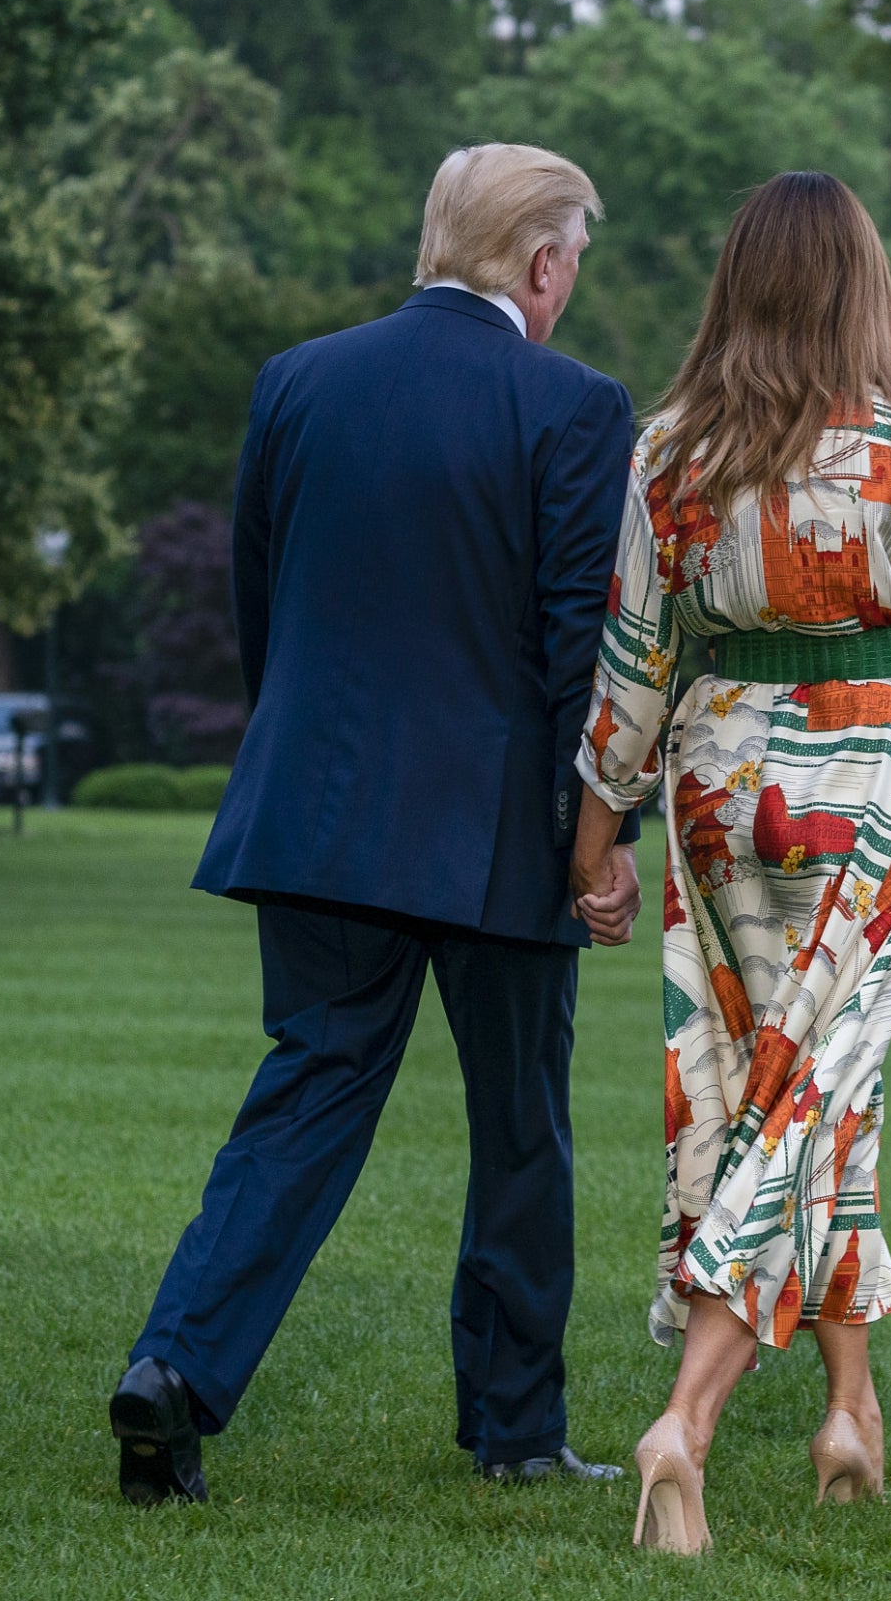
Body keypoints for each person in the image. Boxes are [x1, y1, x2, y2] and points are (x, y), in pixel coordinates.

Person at [108, 143, 646, 1506]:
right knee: (519, 1128)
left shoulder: (297, 383)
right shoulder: (574, 408)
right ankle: (516, 1433)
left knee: (304, 1101)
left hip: (321, 810)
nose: (572, 285)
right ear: (539, 263)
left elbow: (263, 608)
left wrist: (316, 764)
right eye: (573, 260)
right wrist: (603, 835)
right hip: (501, 834)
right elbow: (575, 650)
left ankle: (171, 1372)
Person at [569, 170, 891, 1555]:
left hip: (722, 785)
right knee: (809, 1090)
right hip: (879, 781)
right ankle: (690, 1425)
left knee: (794, 1082)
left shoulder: (672, 449)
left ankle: (850, 1411)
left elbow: (632, 664)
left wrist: (593, 837)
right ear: (861, 285)